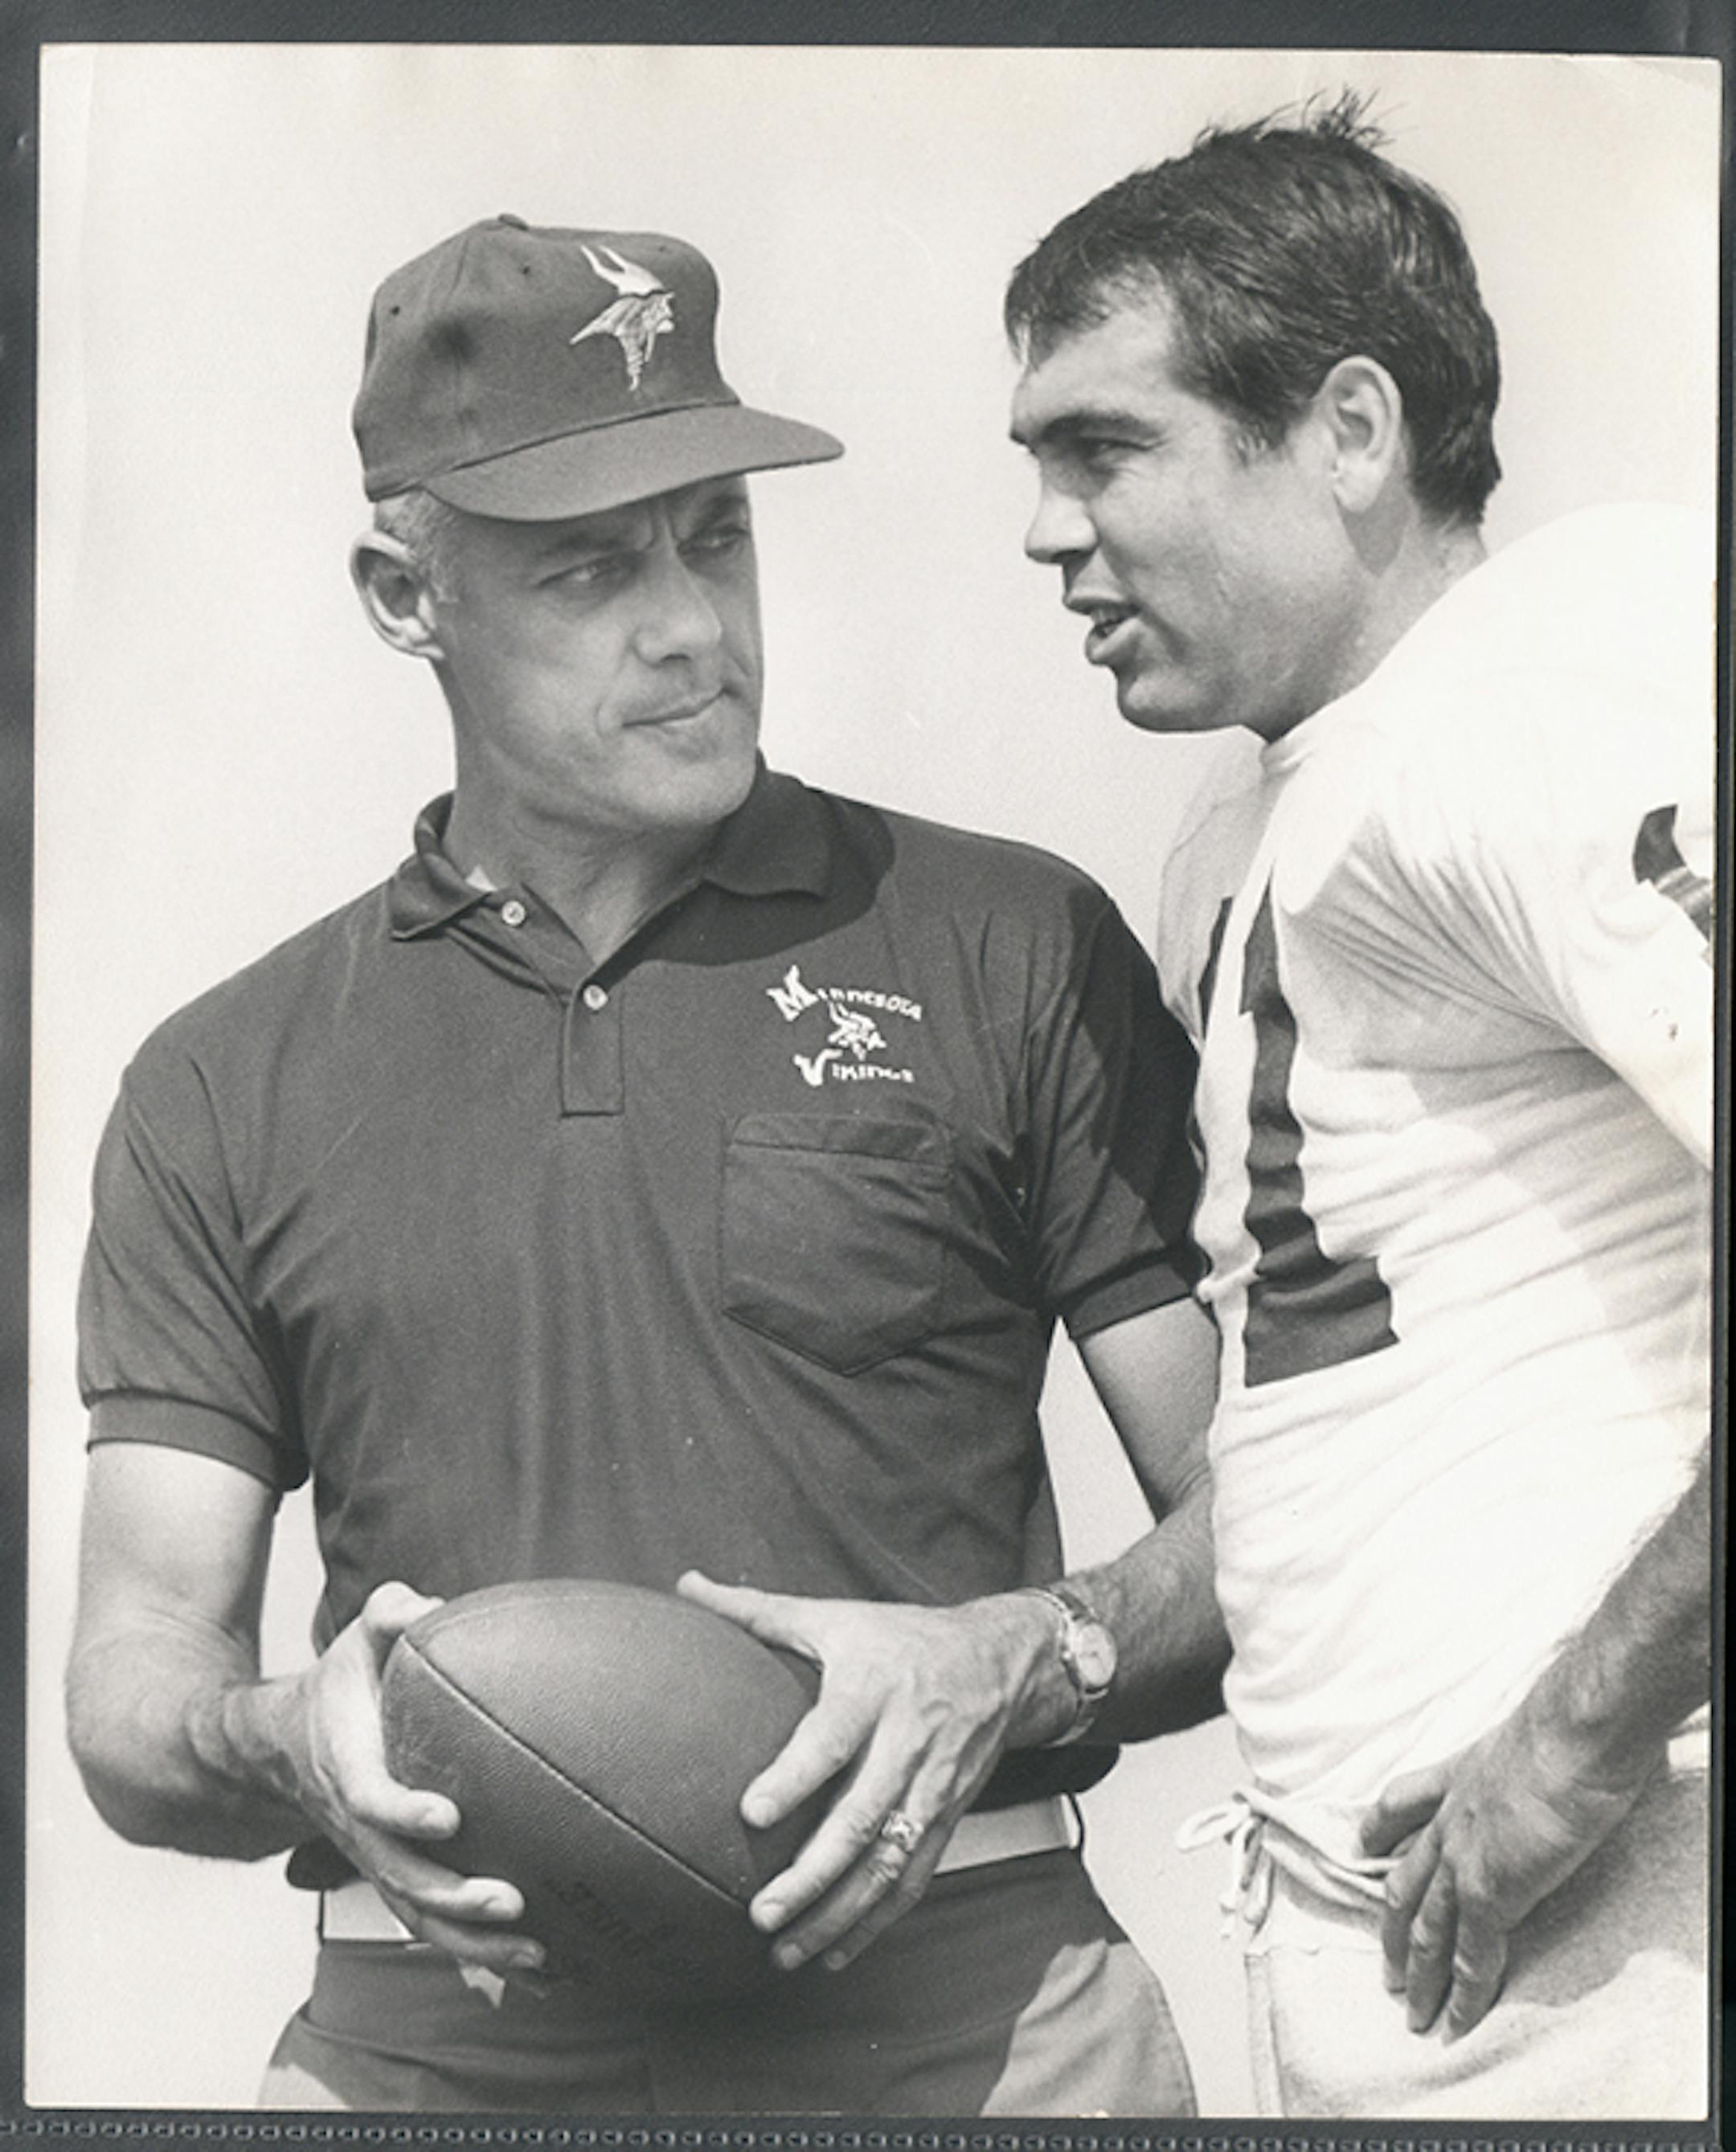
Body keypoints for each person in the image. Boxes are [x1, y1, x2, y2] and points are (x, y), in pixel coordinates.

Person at [66, 213, 1227, 2117]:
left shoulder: (1006, 945)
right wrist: (284, 1737)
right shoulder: (226, 1078)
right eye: (595, 565)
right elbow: (133, 1670)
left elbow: (1283, 1516)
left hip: (963, 2016)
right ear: (404, 594)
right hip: (439, 2036)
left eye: (717, 535)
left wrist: (1018, 1659)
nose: (692, 625)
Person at [1005, 98, 1714, 2120]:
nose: (1048, 529)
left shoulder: (1555, 682)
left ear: (1349, 428)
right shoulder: (1244, 828)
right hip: (1393, 1940)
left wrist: (1575, 1742)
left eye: (1106, 446)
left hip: (1629, 1931)